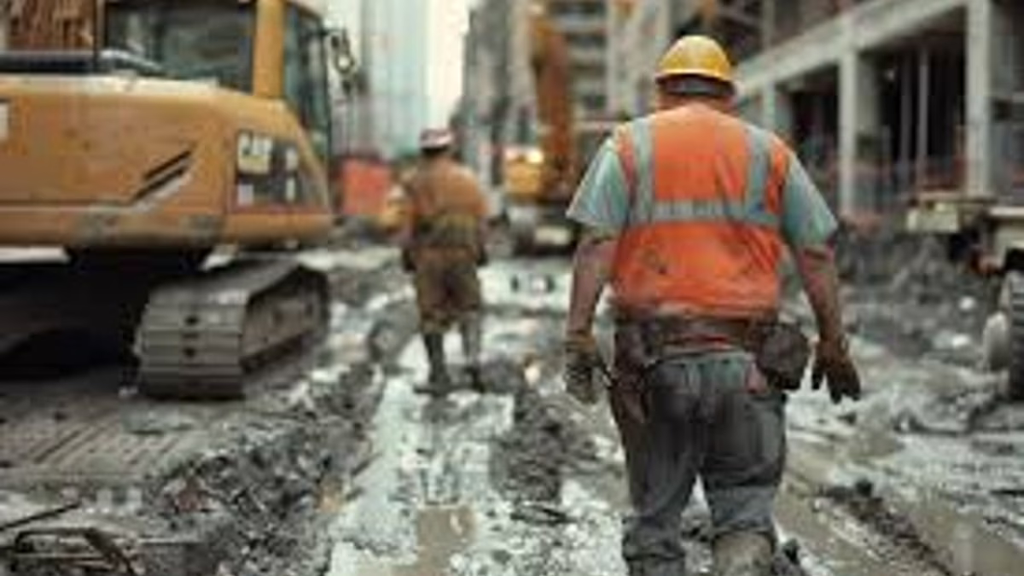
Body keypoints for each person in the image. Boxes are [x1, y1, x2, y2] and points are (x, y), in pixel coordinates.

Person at [562, 36, 861, 576]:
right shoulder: (769, 152)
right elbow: (816, 250)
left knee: (654, 523)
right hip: (748, 367)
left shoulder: (627, 147)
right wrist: (833, 343)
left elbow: (596, 243)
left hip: (654, 365)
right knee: (745, 516)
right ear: (728, 92)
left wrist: (578, 334)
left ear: (661, 89)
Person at [401, 128, 489, 395]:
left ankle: (439, 376)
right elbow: (482, 221)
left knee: (431, 315)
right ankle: (472, 358)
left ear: (423, 152)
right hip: (464, 253)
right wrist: (481, 251)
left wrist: (406, 255)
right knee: (470, 308)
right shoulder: (468, 179)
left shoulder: (415, 181)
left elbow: (409, 223)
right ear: (449, 149)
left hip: (431, 256)